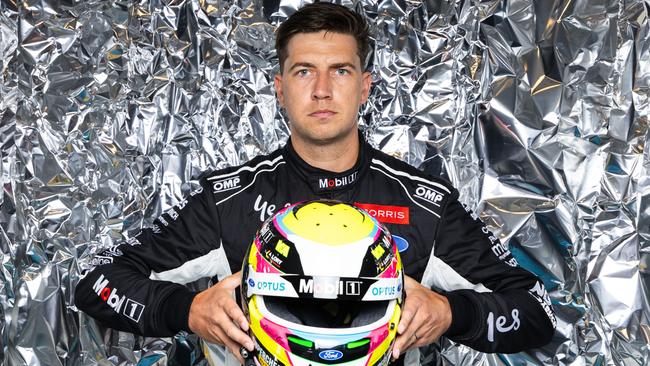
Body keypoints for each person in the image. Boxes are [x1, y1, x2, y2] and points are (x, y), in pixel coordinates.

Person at [74, 2, 556, 365]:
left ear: (365, 86)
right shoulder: (229, 201)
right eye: (304, 71)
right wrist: (186, 309)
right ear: (280, 88)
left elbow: (536, 312)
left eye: (340, 71)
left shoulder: (422, 205)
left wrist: (453, 313)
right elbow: (96, 282)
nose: (322, 90)